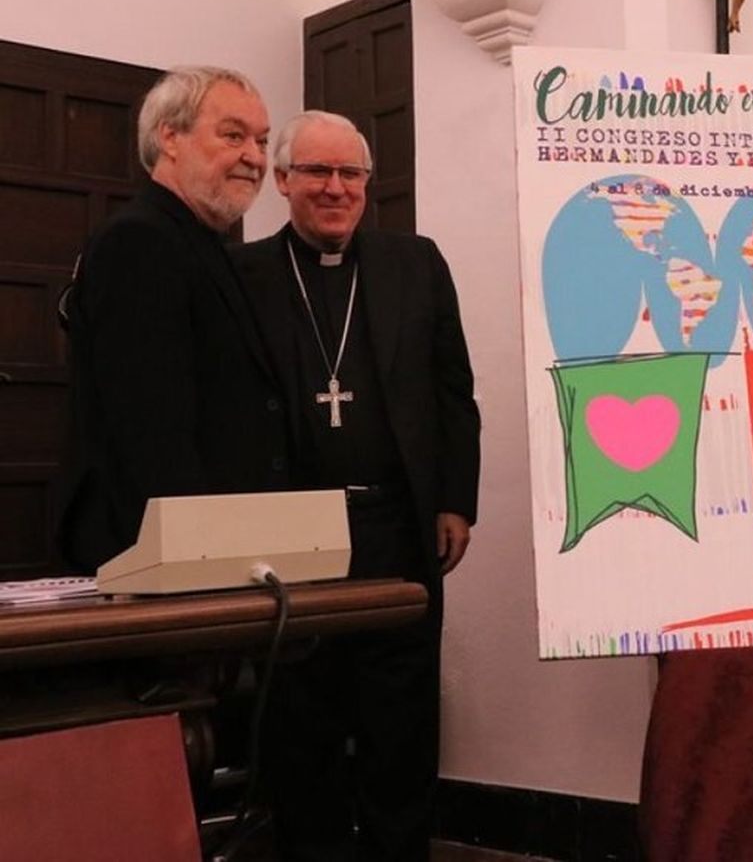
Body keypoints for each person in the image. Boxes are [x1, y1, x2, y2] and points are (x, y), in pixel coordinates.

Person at [232, 110, 480, 861]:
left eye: (351, 174)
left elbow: (452, 392)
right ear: (283, 182)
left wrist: (455, 501)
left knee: (399, 725)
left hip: (396, 526)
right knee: (299, 724)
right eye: (316, 172)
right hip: (289, 537)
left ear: (369, 185)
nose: (335, 188)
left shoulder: (416, 262)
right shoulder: (241, 276)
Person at [57, 65, 291, 571]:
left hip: (206, 545)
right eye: (233, 135)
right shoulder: (139, 241)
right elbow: (149, 427)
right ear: (170, 136)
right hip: (157, 558)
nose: (254, 157)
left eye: (261, 140)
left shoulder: (202, 244)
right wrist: (199, 563)